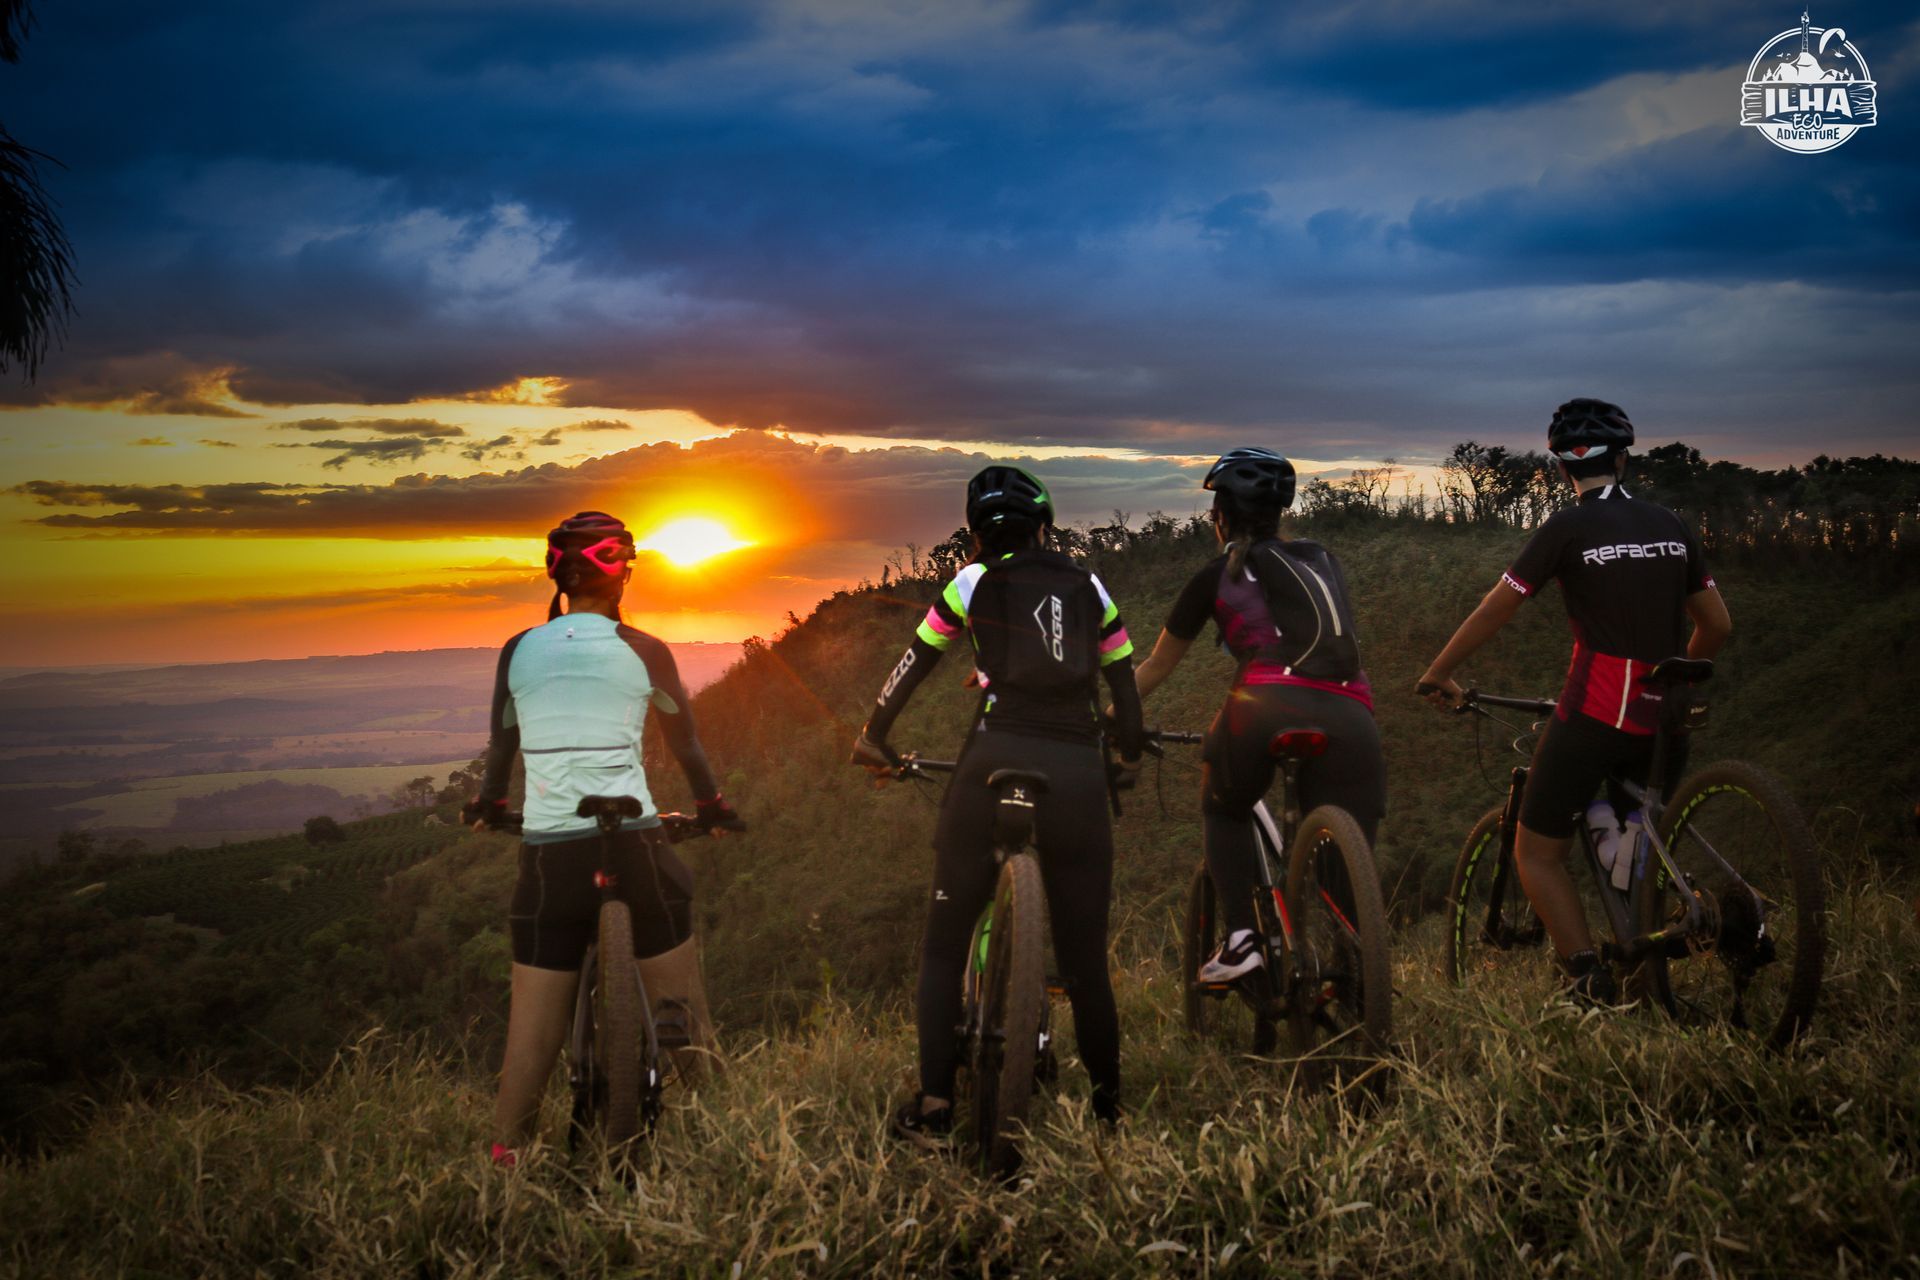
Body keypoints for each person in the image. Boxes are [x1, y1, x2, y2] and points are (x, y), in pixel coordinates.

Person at [850, 465, 1146, 1140]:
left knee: (944, 945)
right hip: (1075, 769)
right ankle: (1108, 1116)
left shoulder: (971, 582)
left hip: (993, 754)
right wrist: (1125, 757)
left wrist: (874, 737)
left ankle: (933, 1107)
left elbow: (913, 665)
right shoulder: (1089, 586)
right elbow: (1125, 693)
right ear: (1045, 528)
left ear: (978, 536)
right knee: (1086, 963)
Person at [1417, 399, 1731, 1002]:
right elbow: (1717, 626)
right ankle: (1644, 975)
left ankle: (1587, 977)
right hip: (1668, 714)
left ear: (1563, 469)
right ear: (1623, 460)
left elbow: (1496, 608)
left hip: (1596, 709)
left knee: (1536, 853)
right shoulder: (1671, 524)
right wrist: (1673, 682)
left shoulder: (1565, 529)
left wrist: (1439, 672)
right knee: (1636, 844)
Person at [466, 510, 743, 1165]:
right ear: (621, 578)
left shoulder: (518, 650)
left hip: (551, 857)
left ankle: (505, 1161)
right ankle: (722, 1138)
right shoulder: (645, 649)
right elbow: (687, 745)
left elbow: (502, 747)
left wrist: (491, 805)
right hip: (634, 844)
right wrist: (712, 809)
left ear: (557, 577)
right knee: (685, 1013)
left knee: (531, 1037)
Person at [1128, 447, 1386, 983]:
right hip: (1352, 710)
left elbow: (1156, 666)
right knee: (1344, 867)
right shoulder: (1321, 561)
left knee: (1224, 806)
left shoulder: (1214, 576)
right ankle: (1358, 974)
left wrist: (1109, 715)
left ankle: (1242, 939)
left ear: (1220, 516)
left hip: (1264, 705)